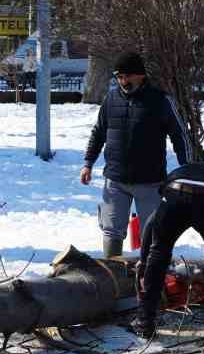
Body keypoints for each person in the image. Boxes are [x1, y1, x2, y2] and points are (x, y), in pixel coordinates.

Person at [79, 52, 190, 257]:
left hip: (150, 181)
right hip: (115, 179)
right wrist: (88, 163)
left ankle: (150, 278)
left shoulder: (160, 100)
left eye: (128, 76)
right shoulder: (111, 99)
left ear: (141, 75)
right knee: (111, 230)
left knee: (154, 233)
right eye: (119, 77)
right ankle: (114, 277)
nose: (123, 81)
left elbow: (179, 135)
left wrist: (187, 168)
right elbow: (99, 131)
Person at [132, 161, 204, 345]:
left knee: (159, 253)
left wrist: (145, 262)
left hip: (173, 190)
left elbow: (150, 225)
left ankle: (144, 323)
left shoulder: (196, 176)